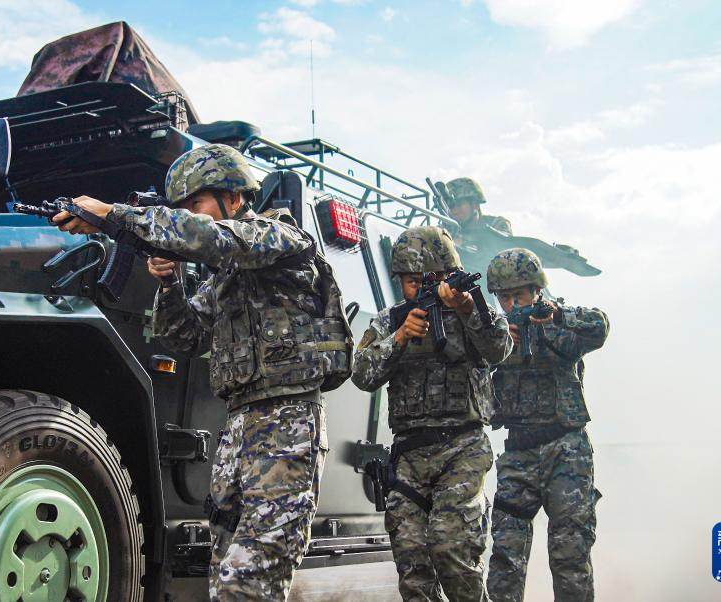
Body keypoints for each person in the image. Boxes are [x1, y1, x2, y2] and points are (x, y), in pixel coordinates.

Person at [54, 144, 348, 601]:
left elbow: (210, 237)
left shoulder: (280, 238)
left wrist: (112, 215)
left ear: (233, 197)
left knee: (252, 576)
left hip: (288, 422)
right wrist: (169, 283)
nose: (189, 214)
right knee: (224, 569)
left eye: (196, 202)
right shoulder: (225, 280)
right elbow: (185, 337)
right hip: (239, 427)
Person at [351, 226, 512, 601]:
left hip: (462, 449)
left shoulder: (475, 313)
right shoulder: (390, 321)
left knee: (450, 548)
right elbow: (361, 374)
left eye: (435, 279)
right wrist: (399, 338)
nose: (424, 288)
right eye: (413, 282)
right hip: (409, 457)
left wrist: (467, 309)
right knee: (413, 568)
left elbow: (499, 348)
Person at [484, 248, 609, 602]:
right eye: (504, 297)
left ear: (537, 290)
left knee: (570, 554)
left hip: (565, 452)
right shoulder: (496, 335)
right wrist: (496, 341)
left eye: (518, 295)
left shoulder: (562, 324)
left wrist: (558, 316)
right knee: (506, 556)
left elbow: (600, 326)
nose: (511, 304)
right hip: (518, 452)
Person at [445, 177, 513, 239]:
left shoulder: (497, 224)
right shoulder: (446, 231)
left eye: (459, 204)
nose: (454, 211)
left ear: (475, 204)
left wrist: (463, 241)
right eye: (451, 206)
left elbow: (504, 243)